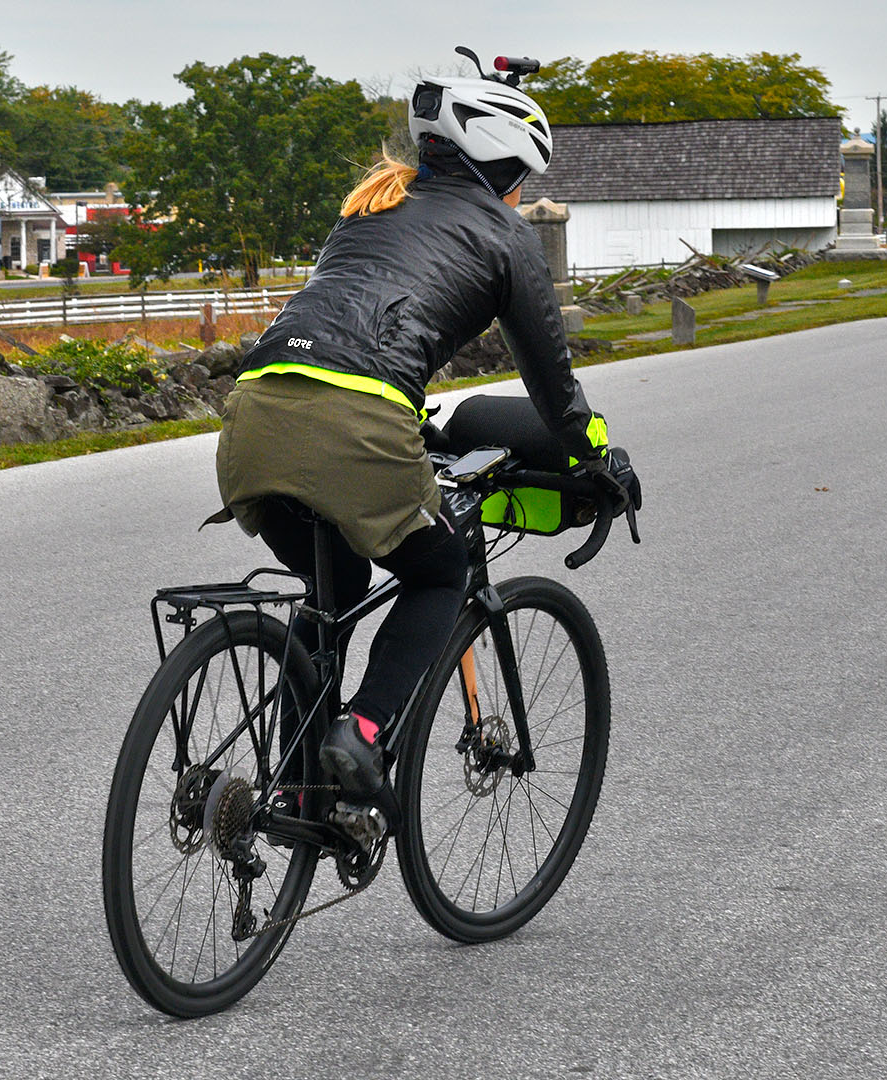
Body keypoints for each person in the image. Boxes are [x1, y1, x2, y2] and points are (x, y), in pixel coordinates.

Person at [212, 63, 613, 805]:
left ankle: (300, 793)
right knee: (439, 571)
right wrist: (599, 457)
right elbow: (554, 389)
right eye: (522, 175)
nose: (521, 193)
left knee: (334, 589)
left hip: (252, 413)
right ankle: (362, 733)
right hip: (360, 424)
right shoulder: (504, 233)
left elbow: (349, 326)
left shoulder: (368, 209)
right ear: (502, 161)